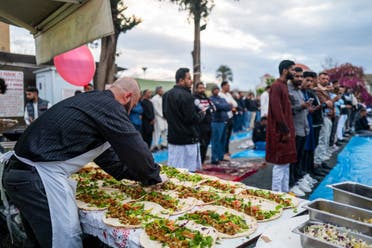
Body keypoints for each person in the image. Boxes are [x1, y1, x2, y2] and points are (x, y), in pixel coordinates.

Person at [1, 77, 162, 248]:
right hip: (37, 177)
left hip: (19, 174)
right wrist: (153, 176)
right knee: (62, 241)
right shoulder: (111, 106)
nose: (129, 112)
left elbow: (109, 159)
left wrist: (138, 177)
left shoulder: (92, 102)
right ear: (128, 96)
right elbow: (134, 146)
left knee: (39, 241)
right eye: (133, 105)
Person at [163, 68, 205, 171]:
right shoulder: (187, 96)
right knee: (188, 173)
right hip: (187, 141)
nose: (191, 81)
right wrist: (202, 114)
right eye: (189, 78)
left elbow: (165, 114)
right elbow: (191, 119)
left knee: (174, 172)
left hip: (173, 139)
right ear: (181, 80)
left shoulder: (166, 95)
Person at [266, 60, 297, 193]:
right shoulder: (276, 86)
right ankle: (276, 195)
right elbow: (277, 111)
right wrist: (285, 130)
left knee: (286, 163)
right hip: (281, 132)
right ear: (285, 70)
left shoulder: (284, 86)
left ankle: (285, 193)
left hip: (286, 131)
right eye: (293, 69)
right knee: (280, 165)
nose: (294, 72)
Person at [287, 67, 311, 196]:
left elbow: (304, 110)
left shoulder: (300, 91)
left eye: (301, 76)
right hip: (294, 130)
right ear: (292, 76)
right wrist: (301, 106)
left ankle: (297, 180)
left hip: (303, 128)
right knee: (292, 159)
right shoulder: (287, 91)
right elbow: (287, 110)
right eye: (297, 76)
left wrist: (305, 107)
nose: (300, 79)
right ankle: (291, 184)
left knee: (299, 158)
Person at [193, 82, 215, 164]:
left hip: (208, 124)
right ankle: (197, 162)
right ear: (196, 89)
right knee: (200, 144)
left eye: (203, 88)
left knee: (206, 143)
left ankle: (202, 160)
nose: (202, 89)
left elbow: (212, 107)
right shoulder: (194, 98)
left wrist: (208, 109)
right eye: (200, 88)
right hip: (199, 125)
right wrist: (206, 109)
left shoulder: (207, 98)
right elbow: (201, 109)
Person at [209, 86, 231, 165]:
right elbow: (217, 107)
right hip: (216, 121)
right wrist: (224, 106)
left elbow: (229, 107)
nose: (216, 90)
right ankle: (214, 158)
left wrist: (223, 106)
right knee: (216, 140)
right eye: (215, 89)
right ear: (212, 91)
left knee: (223, 140)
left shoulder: (221, 99)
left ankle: (221, 156)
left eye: (217, 89)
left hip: (224, 121)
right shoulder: (211, 99)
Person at [219, 81, 237, 160]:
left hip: (230, 117)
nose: (229, 87)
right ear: (223, 86)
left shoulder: (229, 95)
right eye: (227, 86)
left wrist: (230, 105)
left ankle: (226, 151)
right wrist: (229, 105)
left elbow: (235, 104)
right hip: (223, 118)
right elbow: (225, 106)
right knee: (223, 136)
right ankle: (222, 153)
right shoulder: (220, 95)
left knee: (228, 136)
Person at [151, 86, 168, 151]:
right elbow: (156, 109)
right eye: (161, 91)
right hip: (158, 117)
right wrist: (162, 115)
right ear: (158, 91)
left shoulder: (162, 98)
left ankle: (164, 144)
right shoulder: (154, 98)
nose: (163, 92)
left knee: (165, 131)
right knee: (157, 132)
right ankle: (155, 145)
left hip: (164, 117)